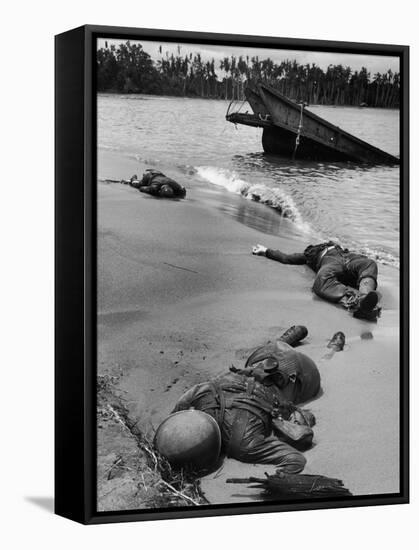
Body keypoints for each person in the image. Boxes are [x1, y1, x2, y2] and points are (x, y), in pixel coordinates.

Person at [171, 326, 321, 474]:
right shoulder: (203, 398)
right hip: (273, 368)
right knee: (275, 357)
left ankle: (285, 341)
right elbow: (295, 459)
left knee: (276, 359)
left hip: (279, 372)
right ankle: (284, 342)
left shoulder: (245, 445)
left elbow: (295, 459)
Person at [252, 241, 380, 321]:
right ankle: (355, 304)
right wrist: (266, 251)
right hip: (329, 262)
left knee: (369, 264)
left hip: (351, 259)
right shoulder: (309, 255)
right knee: (321, 280)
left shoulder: (339, 248)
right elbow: (287, 258)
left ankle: (365, 297)